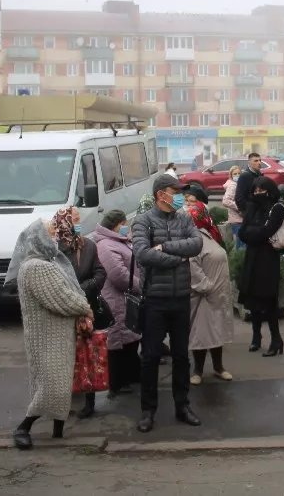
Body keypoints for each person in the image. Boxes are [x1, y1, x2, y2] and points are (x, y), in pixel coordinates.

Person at [6, 218, 92, 450]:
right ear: (38, 237)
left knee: (59, 383)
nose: (54, 236)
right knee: (52, 385)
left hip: (52, 335)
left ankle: (57, 433)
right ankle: (23, 427)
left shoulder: (42, 263)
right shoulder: (37, 267)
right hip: (48, 338)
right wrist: (85, 308)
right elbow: (62, 298)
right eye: (50, 232)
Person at [132, 174, 204, 432]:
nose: (181, 196)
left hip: (181, 297)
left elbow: (197, 243)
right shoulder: (143, 221)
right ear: (162, 194)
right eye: (176, 191)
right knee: (150, 356)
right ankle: (148, 410)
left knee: (181, 356)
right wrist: (177, 259)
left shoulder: (184, 218)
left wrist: (165, 248)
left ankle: (182, 405)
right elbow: (142, 253)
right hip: (155, 300)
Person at [50, 206, 107, 419]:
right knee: (65, 358)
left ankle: (89, 401)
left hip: (86, 310)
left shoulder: (88, 245)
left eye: (78, 218)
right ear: (63, 222)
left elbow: (101, 273)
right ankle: (63, 400)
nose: (78, 222)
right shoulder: (54, 251)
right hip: (63, 313)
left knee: (87, 356)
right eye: (74, 219)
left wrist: (85, 288)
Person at [94, 210, 142, 398]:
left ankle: (130, 376)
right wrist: (141, 286)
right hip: (115, 299)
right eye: (123, 223)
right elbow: (119, 276)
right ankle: (116, 383)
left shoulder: (120, 241)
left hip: (126, 299)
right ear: (115, 225)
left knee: (129, 338)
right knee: (116, 343)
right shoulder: (106, 245)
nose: (126, 227)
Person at [237, 177, 284, 356]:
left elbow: (268, 231)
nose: (258, 194)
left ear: (270, 190)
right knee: (253, 301)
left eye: (262, 190)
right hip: (252, 257)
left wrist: (254, 232)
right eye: (255, 190)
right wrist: (256, 232)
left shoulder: (277, 208)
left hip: (268, 259)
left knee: (268, 301)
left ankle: (276, 340)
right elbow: (242, 233)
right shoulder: (251, 207)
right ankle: (256, 338)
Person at [185, 201, 235, 384]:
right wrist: (206, 287)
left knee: (217, 332)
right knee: (201, 334)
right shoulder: (193, 240)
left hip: (218, 295)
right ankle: (197, 371)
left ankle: (218, 367)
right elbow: (193, 267)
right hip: (204, 296)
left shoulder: (209, 234)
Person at [222, 165, 244, 248]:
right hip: (236, 219)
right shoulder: (233, 185)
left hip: (239, 219)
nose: (237, 175)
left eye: (239, 173)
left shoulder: (238, 184)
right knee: (241, 243)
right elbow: (225, 201)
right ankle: (239, 260)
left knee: (241, 242)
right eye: (235, 174)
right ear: (231, 175)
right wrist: (239, 207)